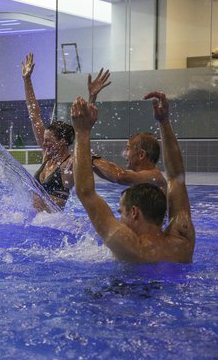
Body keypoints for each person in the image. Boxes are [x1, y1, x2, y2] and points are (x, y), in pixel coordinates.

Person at [70, 92, 195, 263]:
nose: (120, 219)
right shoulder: (183, 242)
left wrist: (81, 132)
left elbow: (85, 193)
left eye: (121, 213)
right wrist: (164, 121)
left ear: (135, 212)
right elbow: (176, 177)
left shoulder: (130, 247)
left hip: (129, 288)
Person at [22, 52, 75, 210]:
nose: (44, 144)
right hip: (35, 221)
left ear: (63, 141)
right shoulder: (47, 157)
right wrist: (27, 80)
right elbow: (35, 115)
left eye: (49, 141)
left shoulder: (69, 165)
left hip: (52, 225)